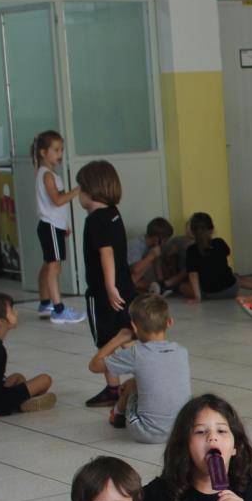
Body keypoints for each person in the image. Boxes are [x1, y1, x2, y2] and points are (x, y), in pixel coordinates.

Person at [90, 292, 191, 442]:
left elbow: (94, 366)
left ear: (134, 327)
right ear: (169, 322)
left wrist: (118, 339)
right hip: (182, 431)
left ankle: (116, 414)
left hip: (147, 433)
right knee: (139, 381)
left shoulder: (136, 353)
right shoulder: (182, 351)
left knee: (131, 386)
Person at [77, 160, 133, 408]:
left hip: (103, 292)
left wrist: (109, 287)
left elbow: (106, 253)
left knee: (106, 340)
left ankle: (113, 389)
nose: (78, 194)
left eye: (79, 188)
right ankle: (142, 379)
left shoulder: (95, 220)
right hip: (125, 287)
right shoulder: (113, 214)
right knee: (129, 335)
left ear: (90, 191)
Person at [31, 129, 85, 323]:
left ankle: (45, 302)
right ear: (44, 152)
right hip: (50, 226)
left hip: (55, 225)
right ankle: (58, 309)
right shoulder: (47, 176)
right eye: (55, 150)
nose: (60, 154)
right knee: (54, 267)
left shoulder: (49, 174)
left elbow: (54, 204)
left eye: (61, 149)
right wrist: (77, 191)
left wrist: (65, 224)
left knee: (49, 264)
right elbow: (57, 200)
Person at [181, 212, 238, 301]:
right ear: (212, 229)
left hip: (212, 294)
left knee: (183, 286)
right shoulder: (220, 242)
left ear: (192, 231)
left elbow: (193, 275)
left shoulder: (191, 250)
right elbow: (227, 253)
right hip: (232, 290)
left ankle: (201, 295)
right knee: (234, 276)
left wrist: (197, 298)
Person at [130, 217, 183, 294]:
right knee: (150, 261)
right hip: (122, 279)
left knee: (157, 258)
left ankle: (161, 286)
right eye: (165, 240)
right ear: (156, 238)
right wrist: (150, 256)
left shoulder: (153, 246)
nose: (165, 242)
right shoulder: (136, 245)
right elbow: (135, 269)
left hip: (138, 279)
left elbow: (158, 261)